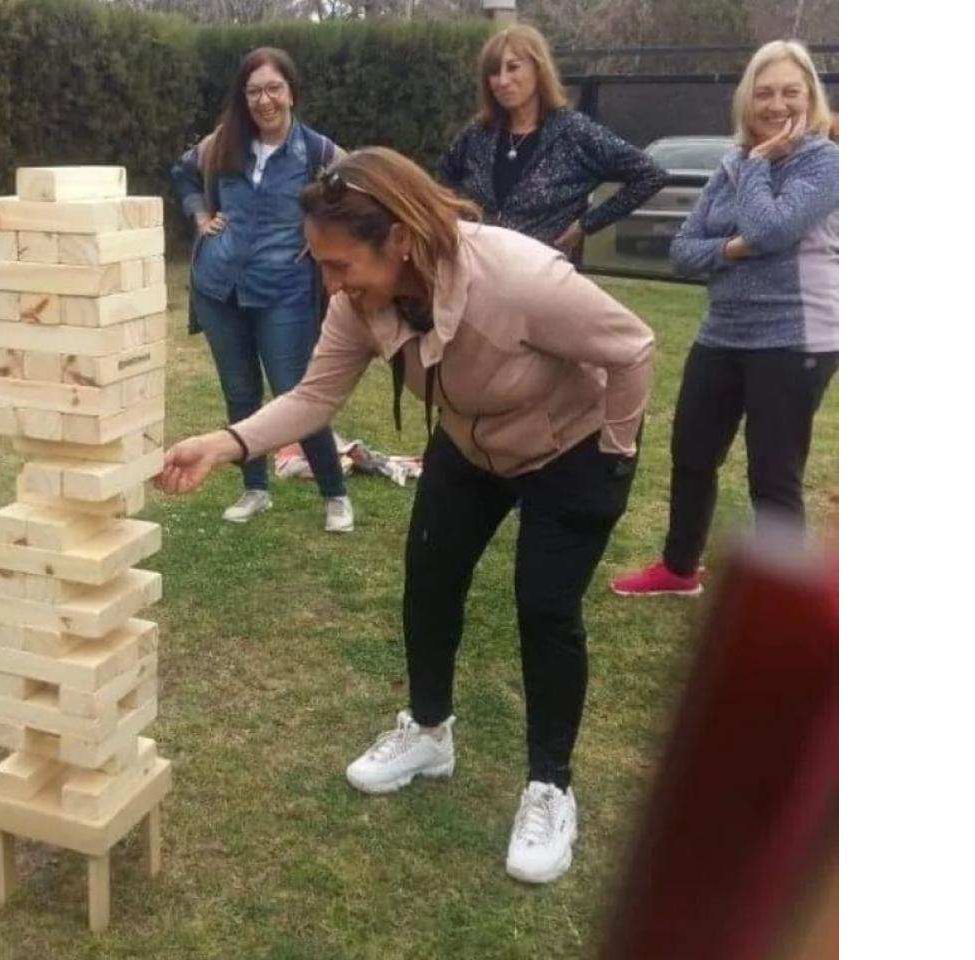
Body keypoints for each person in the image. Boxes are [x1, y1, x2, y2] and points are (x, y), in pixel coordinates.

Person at [158, 147, 656, 885]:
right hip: (469, 441)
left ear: (398, 240)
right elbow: (313, 397)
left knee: (543, 607)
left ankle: (550, 785)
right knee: (428, 578)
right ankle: (429, 732)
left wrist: (614, 456)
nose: (329, 282)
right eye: (320, 265)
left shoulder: (519, 277)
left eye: (338, 264)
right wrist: (227, 444)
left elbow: (633, 346)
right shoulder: (361, 301)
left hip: (570, 449)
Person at [609, 40, 838, 598]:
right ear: (746, 100)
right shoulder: (731, 163)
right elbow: (684, 250)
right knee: (691, 454)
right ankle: (679, 569)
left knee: (772, 477)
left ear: (811, 96)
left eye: (790, 91)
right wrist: (733, 249)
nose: (776, 104)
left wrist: (759, 171)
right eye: (764, 93)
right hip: (723, 331)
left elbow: (771, 230)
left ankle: (780, 600)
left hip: (794, 337)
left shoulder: (825, 162)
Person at [170, 47, 354, 533]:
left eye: (274, 88)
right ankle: (255, 489)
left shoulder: (317, 152)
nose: (264, 100)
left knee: (297, 396)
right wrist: (200, 214)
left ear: (291, 92)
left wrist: (323, 243)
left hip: (283, 293)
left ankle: (335, 494)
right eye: (253, 91)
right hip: (219, 289)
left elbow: (358, 195)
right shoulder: (223, 142)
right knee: (240, 393)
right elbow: (183, 171)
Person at [437, 24, 667, 255]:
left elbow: (650, 174)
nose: (503, 80)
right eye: (494, 72)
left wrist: (585, 225)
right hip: (479, 270)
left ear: (538, 69)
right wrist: (456, 221)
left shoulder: (574, 133)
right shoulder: (478, 132)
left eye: (513, 67)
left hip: (541, 277)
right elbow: (444, 177)